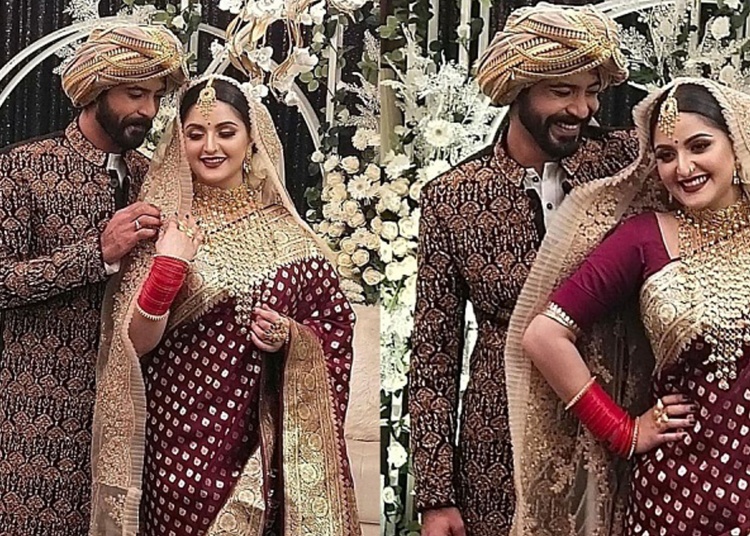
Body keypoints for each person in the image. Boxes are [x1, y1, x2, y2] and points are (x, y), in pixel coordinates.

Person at [88, 75, 361, 535]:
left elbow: (333, 326)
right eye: (195, 134)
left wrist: (290, 337)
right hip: (173, 449)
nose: (210, 147)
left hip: (260, 453)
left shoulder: (290, 233)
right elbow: (133, 343)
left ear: (252, 138)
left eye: (226, 132)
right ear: (179, 142)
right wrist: (169, 266)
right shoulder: (162, 224)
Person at [409, 4, 638, 536]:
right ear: (518, 88)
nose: (582, 108)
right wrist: (436, 496)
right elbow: (434, 355)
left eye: (591, 91)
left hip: (615, 432)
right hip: (499, 449)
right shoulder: (454, 198)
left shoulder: (627, 165)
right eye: (562, 91)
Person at [518, 78, 750, 535]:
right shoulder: (645, 238)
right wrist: (622, 431)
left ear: (737, 142)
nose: (683, 168)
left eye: (699, 146)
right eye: (665, 155)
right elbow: (543, 336)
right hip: (679, 492)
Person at [0, 25, 187, 536]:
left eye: (156, 97)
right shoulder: (24, 169)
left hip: (127, 414)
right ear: (96, 90)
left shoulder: (152, 177)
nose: (148, 110)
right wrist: (96, 254)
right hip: (34, 417)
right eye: (135, 94)